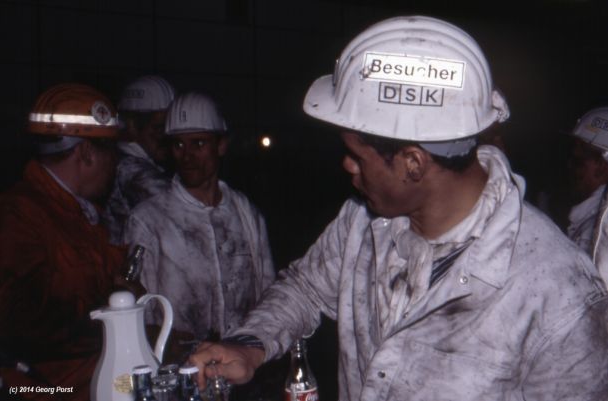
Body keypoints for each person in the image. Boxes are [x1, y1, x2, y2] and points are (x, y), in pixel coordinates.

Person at [189, 16, 608, 400]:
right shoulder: (363, 220)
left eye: (357, 155)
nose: (346, 166)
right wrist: (251, 345)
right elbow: (306, 288)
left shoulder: (559, 295)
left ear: (413, 164)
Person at [0, 83, 125, 401]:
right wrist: (115, 316)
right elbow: (18, 323)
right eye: (112, 154)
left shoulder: (76, 216)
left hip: (85, 383)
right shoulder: (18, 217)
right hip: (43, 389)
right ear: (86, 153)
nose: (115, 165)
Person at [122, 92, 275, 346]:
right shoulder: (148, 220)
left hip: (241, 359)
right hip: (177, 362)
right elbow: (139, 309)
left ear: (221, 145)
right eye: (178, 145)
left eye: (199, 143)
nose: (187, 155)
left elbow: (268, 294)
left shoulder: (247, 214)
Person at [103, 75, 176, 243]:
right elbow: (184, 211)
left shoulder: (122, 161)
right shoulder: (130, 170)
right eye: (159, 128)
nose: (167, 138)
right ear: (132, 126)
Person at [566, 106, 608, 287]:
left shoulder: (595, 234)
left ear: (601, 166)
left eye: (578, 161)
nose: (569, 166)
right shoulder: (587, 220)